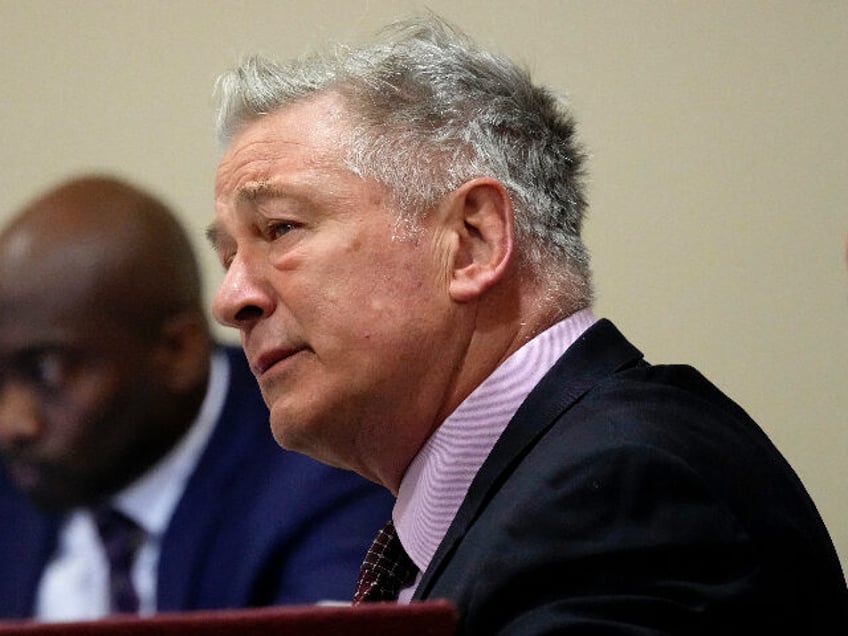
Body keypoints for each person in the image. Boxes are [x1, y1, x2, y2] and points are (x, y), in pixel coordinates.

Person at [206, 15, 848, 635]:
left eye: (281, 229)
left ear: (473, 241)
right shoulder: (541, 486)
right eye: (229, 255)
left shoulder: (620, 494)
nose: (231, 298)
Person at [0, 175, 394, 621]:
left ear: (178, 352)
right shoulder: (30, 477)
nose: (13, 423)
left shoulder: (323, 468)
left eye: (49, 372)